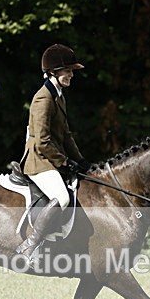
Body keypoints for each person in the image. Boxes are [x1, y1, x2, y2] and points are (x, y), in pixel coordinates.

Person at [16, 44, 90, 260]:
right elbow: (42, 141)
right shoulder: (43, 98)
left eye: (71, 71)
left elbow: (66, 135)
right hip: (38, 160)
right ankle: (31, 245)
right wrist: (65, 163)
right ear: (52, 73)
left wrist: (81, 160)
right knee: (62, 197)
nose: (71, 75)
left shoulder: (58, 96)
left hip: (51, 157)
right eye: (67, 71)